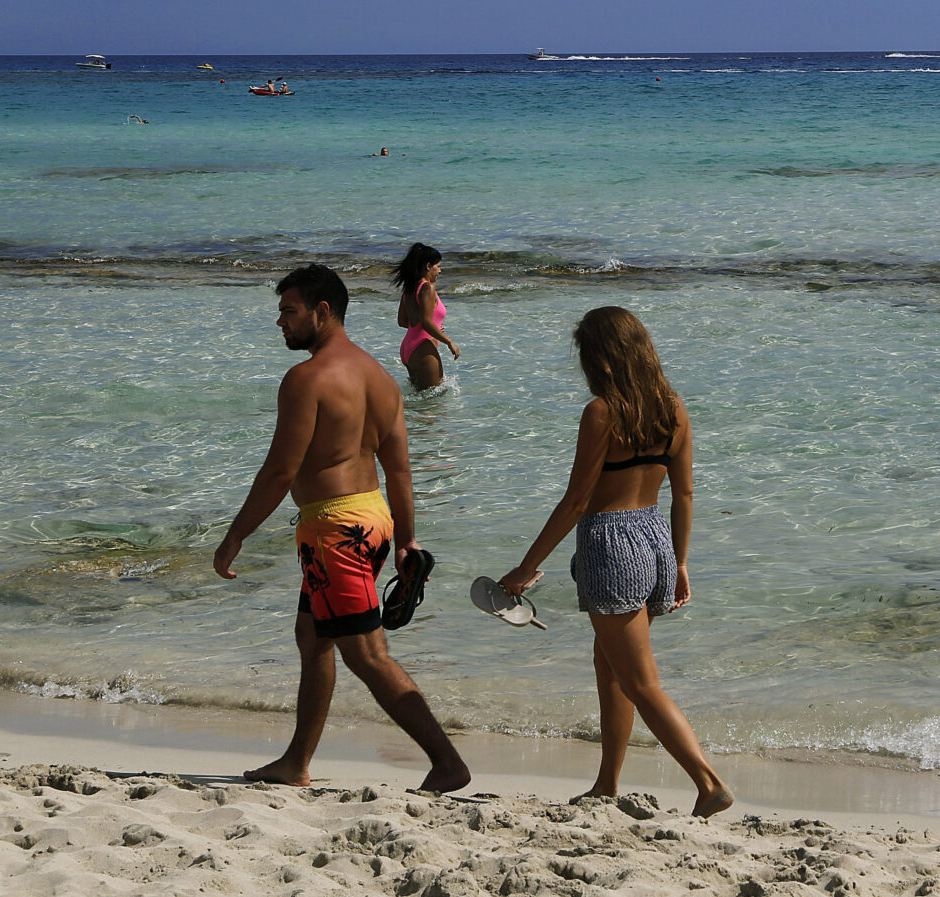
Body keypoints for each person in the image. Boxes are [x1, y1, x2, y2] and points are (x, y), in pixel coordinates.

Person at [213, 265, 469, 793]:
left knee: (367, 655)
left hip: (335, 531)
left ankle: (447, 762)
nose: (280, 323)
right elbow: (398, 469)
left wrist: (236, 534)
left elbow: (281, 470)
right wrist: (405, 541)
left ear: (322, 312)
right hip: (371, 518)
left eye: (289, 311)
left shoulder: (307, 379)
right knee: (313, 637)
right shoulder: (379, 378)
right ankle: (296, 761)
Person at [498, 307, 733, 818]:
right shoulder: (674, 410)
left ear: (600, 358)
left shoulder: (603, 412)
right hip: (655, 540)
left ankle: (708, 781)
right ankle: (606, 783)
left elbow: (577, 501)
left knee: (640, 681)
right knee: (611, 666)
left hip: (612, 543)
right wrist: (682, 562)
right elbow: (685, 494)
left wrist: (525, 567)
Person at [394, 244, 459, 390]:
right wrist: (449, 342)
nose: (440, 271)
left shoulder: (409, 289)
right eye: (438, 266)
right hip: (423, 348)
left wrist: (433, 327)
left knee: (421, 401)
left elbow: (403, 321)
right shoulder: (427, 288)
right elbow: (425, 322)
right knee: (434, 401)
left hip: (408, 347)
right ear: (428, 266)